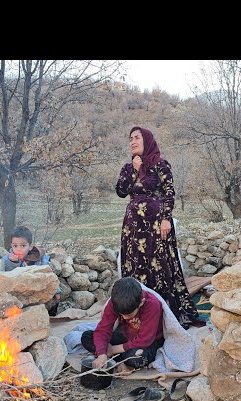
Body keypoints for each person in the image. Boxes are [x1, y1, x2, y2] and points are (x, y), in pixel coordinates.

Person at [115, 126, 202, 328]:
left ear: (147, 140)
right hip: (134, 227)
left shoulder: (160, 164)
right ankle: (138, 313)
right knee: (135, 265)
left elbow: (169, 193)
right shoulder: (128, 168)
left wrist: (166, 219)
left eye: (137, 138)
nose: (133, 142)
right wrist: (133, 171)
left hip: (156, 224)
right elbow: (121, 191)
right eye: (130, 139)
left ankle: (164, 314)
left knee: (159, 266)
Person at [81, 277, 164, 375]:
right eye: (121, 314)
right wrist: (101, 354)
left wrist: (113, 349)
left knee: (138, 358)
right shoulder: (115, 302)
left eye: (128, 315)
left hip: (148, 342)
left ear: (141, 303)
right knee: (87, 337)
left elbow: (145, 339)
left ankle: (115, 359)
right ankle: (115, 361)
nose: (124, 318)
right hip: (125, 335)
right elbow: (103, 329)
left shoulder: (152, 305)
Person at [2, 225, 61, 310]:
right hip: (18, 294)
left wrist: (56, 291)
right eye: (15, 246)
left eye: (23, 245)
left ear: (30, 246)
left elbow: (48, 275)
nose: (18, 249)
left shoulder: (38, 259)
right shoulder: (8, 259)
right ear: (11, 245)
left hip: (36, 292)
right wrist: (12, 262)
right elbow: (6, 275)